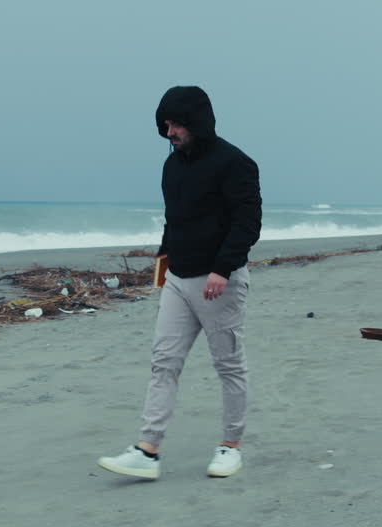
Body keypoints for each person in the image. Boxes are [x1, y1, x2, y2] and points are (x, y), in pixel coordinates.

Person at [97, 86, 262, 479]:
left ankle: (230, 447)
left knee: (229, 365)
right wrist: (163, 258)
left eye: (177, 124)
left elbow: (247, 223)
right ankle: (147, 450)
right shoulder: (173, 166)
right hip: (178, 278)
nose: (170, 132)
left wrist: (223, 270)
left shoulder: (236, 163)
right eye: (166, 124)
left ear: (197, 121)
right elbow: (175, 218)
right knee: (164, 362)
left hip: (218, 280)